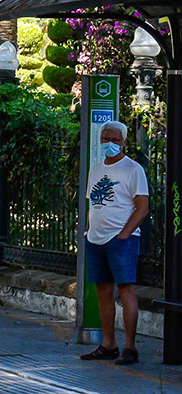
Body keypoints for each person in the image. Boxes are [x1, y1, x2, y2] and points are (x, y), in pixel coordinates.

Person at [80, 119, 148, 365]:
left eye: (115, 140)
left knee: (126, 290)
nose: (110, 144)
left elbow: (142, 207)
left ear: (124, 142)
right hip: (96, 240)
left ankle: (130, 346)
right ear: (100, 141)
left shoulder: (133, 169)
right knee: (103, 290)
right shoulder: (96, 170)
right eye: (106, 139)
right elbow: (92, 203)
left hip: (120, 240)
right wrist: (89, 231)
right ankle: (108, 344)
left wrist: (124, 235)